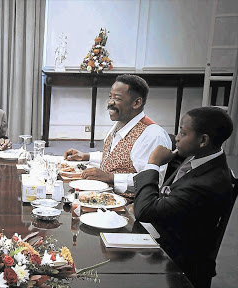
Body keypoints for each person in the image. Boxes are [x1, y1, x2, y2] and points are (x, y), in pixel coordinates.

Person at [133, 106, 234, 288]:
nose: (176, 138)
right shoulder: (203, 157)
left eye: (182, 133)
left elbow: (145, 211)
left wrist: (153, 164)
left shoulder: (208, 183)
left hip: (178, 259)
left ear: (203, 140)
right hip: (168, 233)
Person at [64, 74, 171, 193]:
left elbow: (151, 181)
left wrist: (110, 177)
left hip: (128, 205)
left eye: (117, 99)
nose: (110, 102)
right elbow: (117, 159)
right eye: (110, 97)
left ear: (136, 103)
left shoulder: (152, 135)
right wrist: (86, 156)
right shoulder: (121, 122)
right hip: (105, 194)